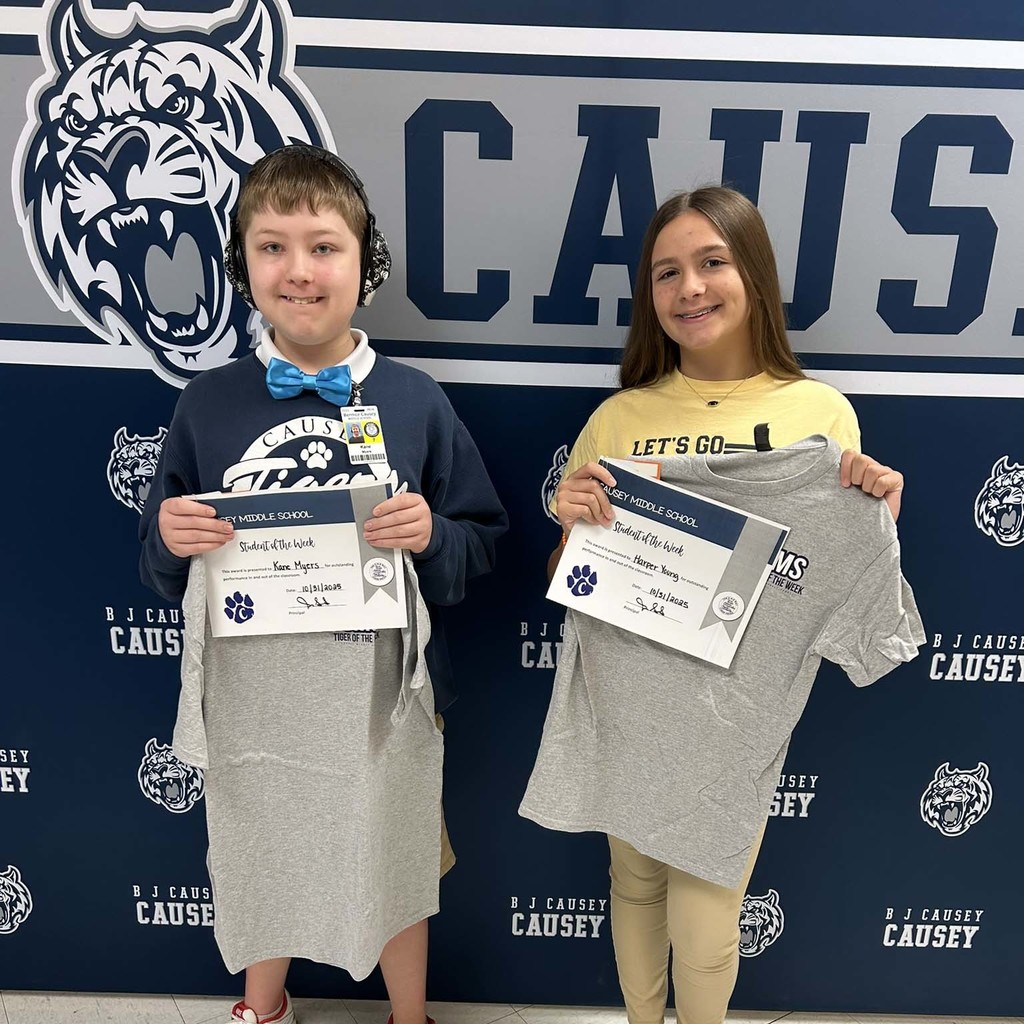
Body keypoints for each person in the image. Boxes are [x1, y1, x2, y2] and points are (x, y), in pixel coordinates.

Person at [139, 145, 507, 1024]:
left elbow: (482, 542)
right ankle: (263, 1008)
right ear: (242, 265)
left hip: (382, 698)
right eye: (271, 247)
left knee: (395, 853)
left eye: (323, 245)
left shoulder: (417, 401)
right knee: (259, 849)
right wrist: (168, 536)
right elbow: (157, 568)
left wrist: (432, 536)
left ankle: (407, 1016)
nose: (298, 270)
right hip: (254, 697)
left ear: (363, 263)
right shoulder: (206, 403)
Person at [532, 186, 908, 1024]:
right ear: (649, 295)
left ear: (755, 276)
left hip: (734, 717)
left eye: (711, 262)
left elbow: (834, 565)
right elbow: (573, 576)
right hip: (629, 702)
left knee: (704, 923)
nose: (690, 288)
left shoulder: (817, 413)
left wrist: (877, 514)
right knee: (632, 887)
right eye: (668, 272)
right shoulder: (620, 416)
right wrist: (570, 525)